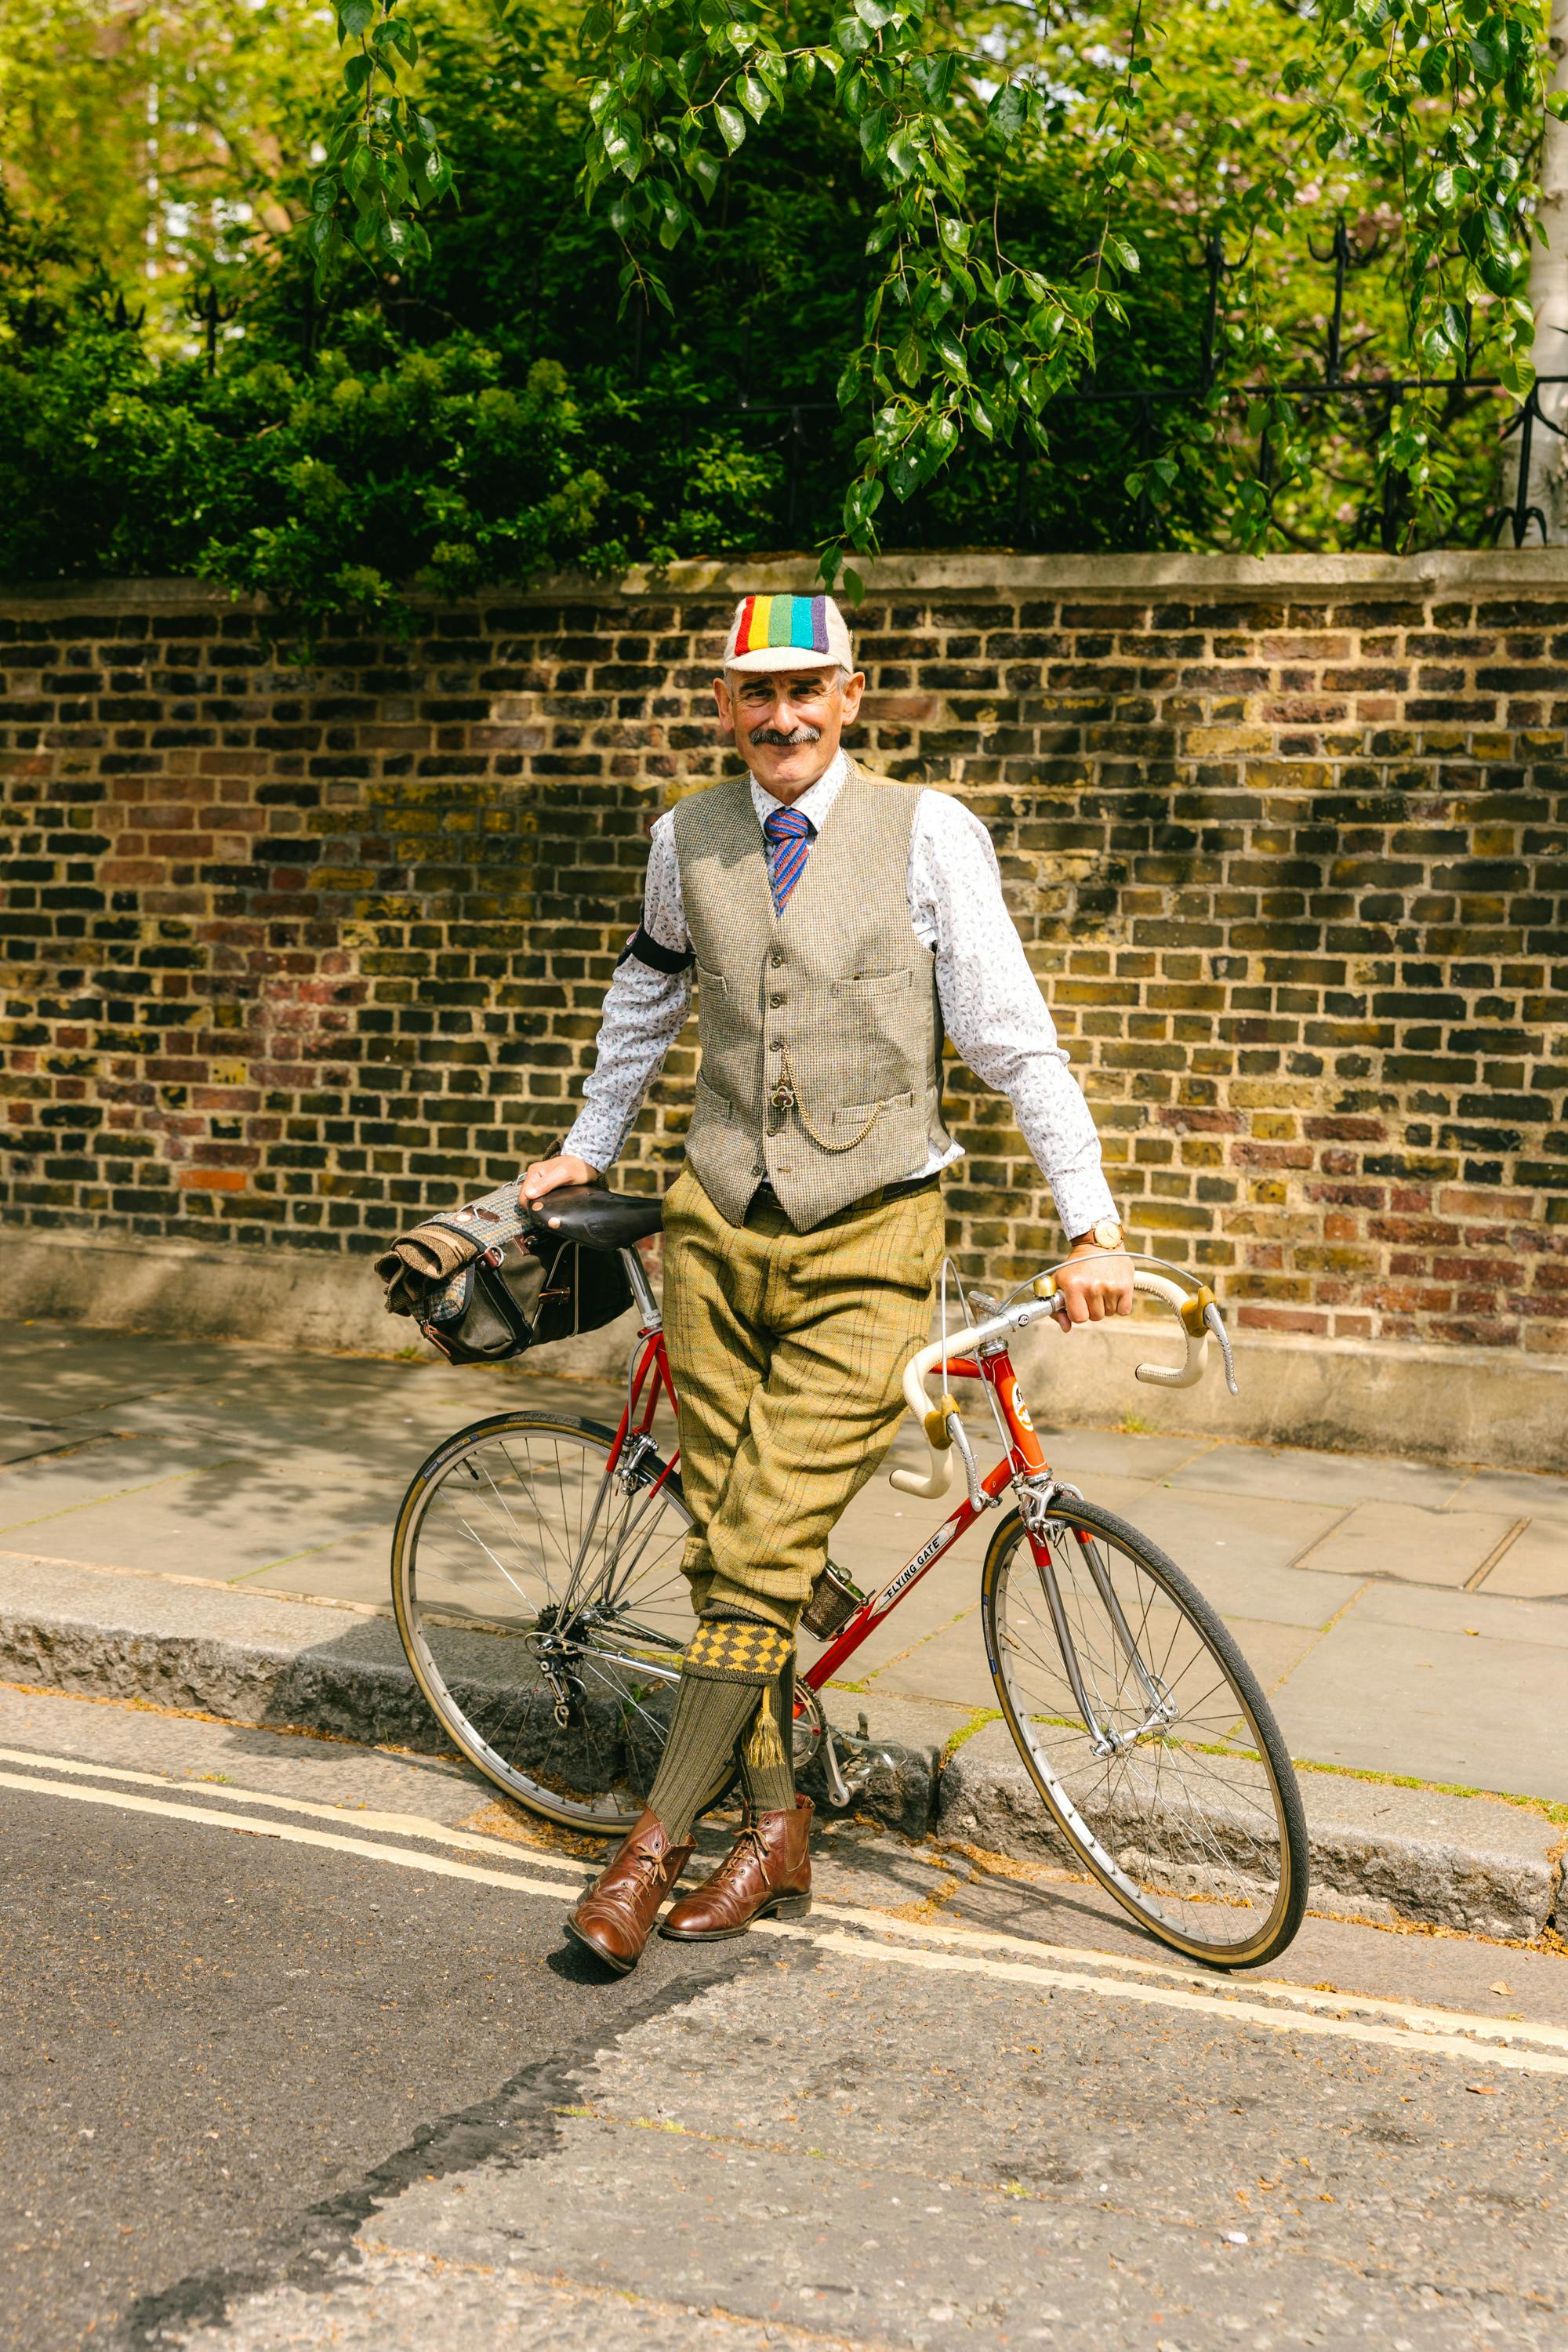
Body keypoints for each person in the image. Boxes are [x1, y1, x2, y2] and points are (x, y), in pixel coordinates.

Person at [521, 590, 1134, 1973]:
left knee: (754, 1551)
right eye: (757, 692)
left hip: (871, 1239)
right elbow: (646, 994)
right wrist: (588, 1144)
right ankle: (775, 1825)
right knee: (730, 1544)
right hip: (714, 1234)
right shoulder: (685, 838)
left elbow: (1012, 1040)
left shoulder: (930, 832)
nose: (783, 715)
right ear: (723, 707)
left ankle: (646, 1854)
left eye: (808, 688)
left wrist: (1092, 1224)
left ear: (852, 696)